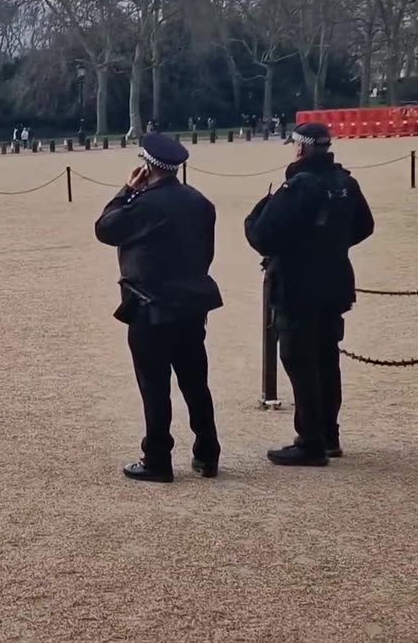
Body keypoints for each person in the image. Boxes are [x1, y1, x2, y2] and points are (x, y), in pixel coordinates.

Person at [94, 133, 224, 483]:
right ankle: (207, 452)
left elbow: (106, 229)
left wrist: (126, 191)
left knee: (155, 386)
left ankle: (157, 459)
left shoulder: (142, 203)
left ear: (147, 167)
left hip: (150, 305)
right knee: (196, 382)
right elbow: (206, 253)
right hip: (191, 303)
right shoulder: (200, 202)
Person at [245, 121, 374, 466]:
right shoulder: (346, 182)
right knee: (326, 358)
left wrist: (256, 213)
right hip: (333, 281)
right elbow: (364, 226)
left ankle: (311, 439)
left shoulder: (298, 187)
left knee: (299, 360)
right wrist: (330, 245)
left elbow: (262, 236)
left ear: (300, 149)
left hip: (298, 284)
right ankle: (329, 433)